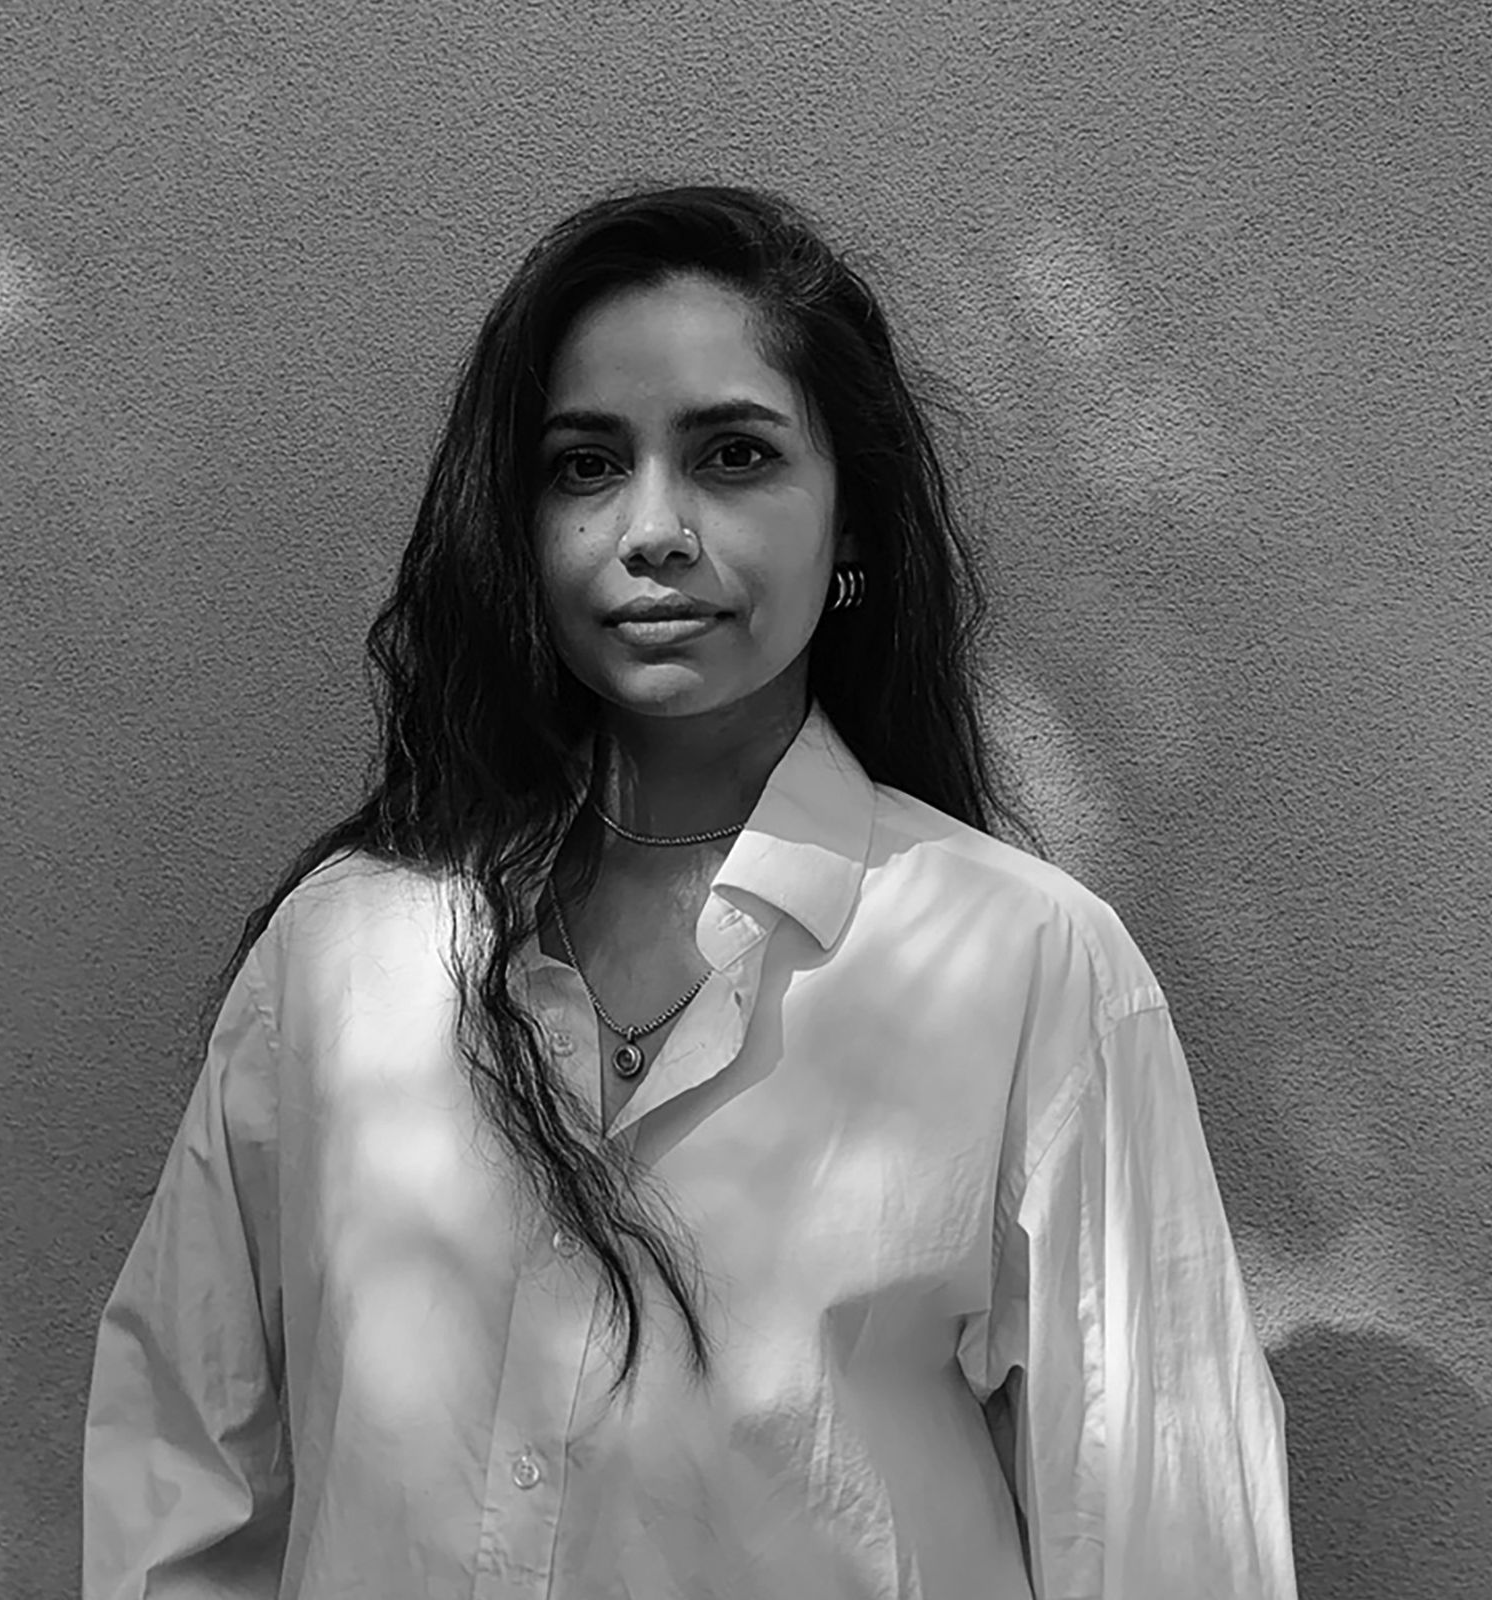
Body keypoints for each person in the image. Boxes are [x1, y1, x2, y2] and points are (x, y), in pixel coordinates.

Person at [82, 183, 1299, 1598]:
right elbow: (181, 1471)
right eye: (585, 466)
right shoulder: (344, 955)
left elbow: (1166, 1535)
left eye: (733, 454)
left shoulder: (1025, 970)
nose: (654, 528)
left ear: (853, 525)